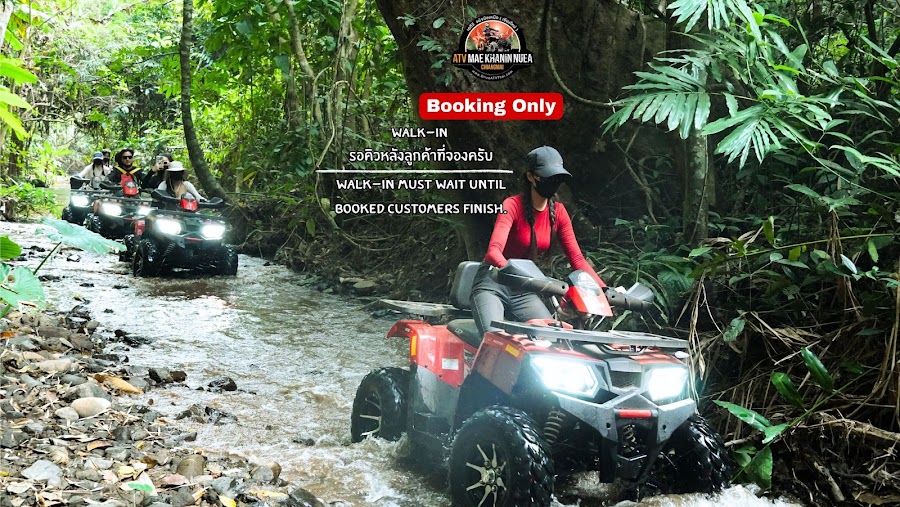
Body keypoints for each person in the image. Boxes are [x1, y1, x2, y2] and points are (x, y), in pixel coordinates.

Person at [470, 146, 607, 335]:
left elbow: (577, 259)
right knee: (495, 338)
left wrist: (603, 290)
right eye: (547, 177)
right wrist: (519, 275)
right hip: (493, 283)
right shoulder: (511, 205)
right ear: (530, 176)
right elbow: (493, 252)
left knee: (551, 338)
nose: (553, 182)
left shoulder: (559, 213)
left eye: (557, 178)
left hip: (523, 290)